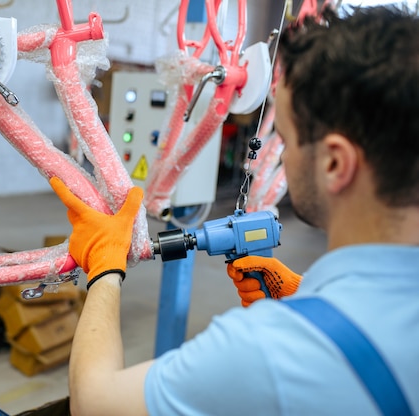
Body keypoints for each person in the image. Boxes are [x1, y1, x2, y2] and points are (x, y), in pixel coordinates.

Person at [49, 5, 419, 415]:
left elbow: (93, 403)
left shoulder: (271, 350)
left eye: (287, 138)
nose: (283, 157)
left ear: (335, 164)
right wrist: (311, 290)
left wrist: (103, 270)